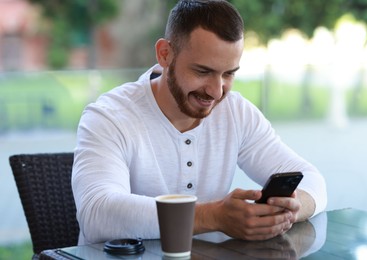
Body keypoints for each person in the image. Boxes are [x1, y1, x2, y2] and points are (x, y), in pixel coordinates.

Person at [72, 0, 327, 245]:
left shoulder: (236, 112)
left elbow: (312, 181)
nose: (216, 92)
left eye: (228, 74)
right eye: (202, 72)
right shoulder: (109, 117)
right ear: (165, 54)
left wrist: (290, 210)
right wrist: (212, 216)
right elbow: (97, 214)